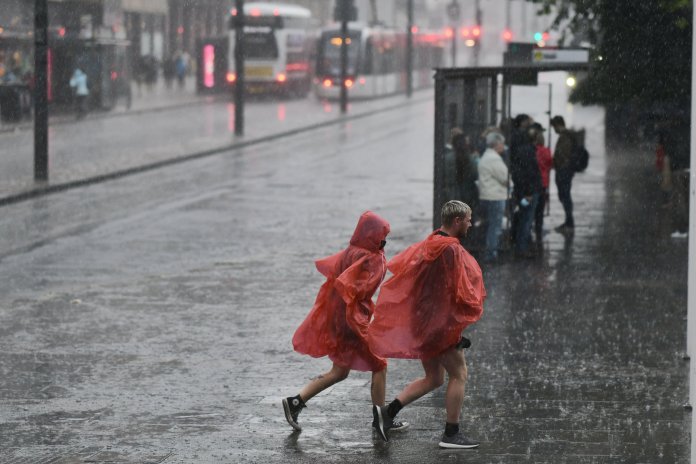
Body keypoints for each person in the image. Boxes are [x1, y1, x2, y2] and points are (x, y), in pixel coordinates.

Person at [368, 201, 486, 449]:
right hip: (439, 324)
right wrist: (454, 330)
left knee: (434, 377)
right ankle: (451, 434)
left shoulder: (432, 241)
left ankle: (387, 413)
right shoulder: (450, 249)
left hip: (423, 320)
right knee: (459, 374)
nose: (470, 224)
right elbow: (454, 291)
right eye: (468, 220)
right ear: (457, 221)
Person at [282, 211, 409, 434]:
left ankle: (296, 402)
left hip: (339, 319)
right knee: (380, 364)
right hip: (352, 320)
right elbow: (359, 291)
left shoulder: (352, 251)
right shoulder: (370, 258)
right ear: (372, 235)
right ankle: (381, 419)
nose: (384, 241)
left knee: (340, 371)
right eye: (382, 236)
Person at [510, 122, 543, 257]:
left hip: (522, 190)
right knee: (527, 219)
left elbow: (519, 173)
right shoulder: (528, 152)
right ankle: (522, 248)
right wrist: (529, 192)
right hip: (529, 191)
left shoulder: (518, 152)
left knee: (523, 217)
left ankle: (521, 244)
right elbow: (529, 173)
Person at [477, 131, 508, 262]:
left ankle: (490, 251)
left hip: (486, 196)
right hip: (495, 197)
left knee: (490, 225)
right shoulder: (494, 159)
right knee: (495, 226)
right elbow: (505, 178)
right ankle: (491, 253)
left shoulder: (485, 156)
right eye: (502, 144)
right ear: (497, 144)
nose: (504, 146)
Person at [550, 115, 575, 234]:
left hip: (564, 171)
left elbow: (562, 154)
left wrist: (555, 162)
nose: (554, 129)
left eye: (554, 127)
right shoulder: (566, 135)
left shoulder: (565, 137)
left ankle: (569, 223)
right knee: (565, 196)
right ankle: (569, 222)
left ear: (558, 125)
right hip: (565, 170)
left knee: (565, 196)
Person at [530, 123, 553, 245]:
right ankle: (538, 228)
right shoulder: (546, 151)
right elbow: (550, 164)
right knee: (540, 207)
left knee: (532, 207)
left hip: (533, 182)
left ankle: (530, 228)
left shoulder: (533, 151)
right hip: (544, 182)